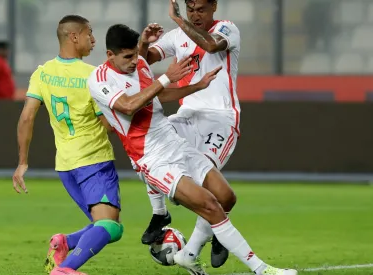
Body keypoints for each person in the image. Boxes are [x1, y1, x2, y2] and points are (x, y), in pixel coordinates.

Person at [88, 23, 297, 275]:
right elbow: (128, 106)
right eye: (128, 57)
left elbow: (157, 96)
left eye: (136, 54)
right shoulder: (98, 79)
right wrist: (167, 77)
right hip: (152, 158)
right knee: (209, 204)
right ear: (110, 55)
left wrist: (197, 86)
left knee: (225, 196)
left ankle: (188, 254)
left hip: (174, 142)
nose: (135, 61)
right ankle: (262, 269)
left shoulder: (141, 65)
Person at [12, 15, 123, 275]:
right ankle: (65, 270)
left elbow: (27, 117)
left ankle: (64, 242)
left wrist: (22, 162)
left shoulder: (42, 73)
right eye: (89, 34)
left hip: (65, 166)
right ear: (74, 37)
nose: (93, 40)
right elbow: (108, 125)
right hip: (94, 161)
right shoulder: (92, 75)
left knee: (105, 226)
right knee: (110, 227)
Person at [138, 0, 243, 272]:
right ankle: (160, 214)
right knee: (148, 147)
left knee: (211, 190)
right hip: (187, 114)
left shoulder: (227, 29)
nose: (196, 15)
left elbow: (210, 45)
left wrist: (177, 20)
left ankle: (204, 241)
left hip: (220, 119)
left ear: (214, 7)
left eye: (201, 9)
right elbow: (141, 61)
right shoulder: (177, 37)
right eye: (191, 9)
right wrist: (143, 43)